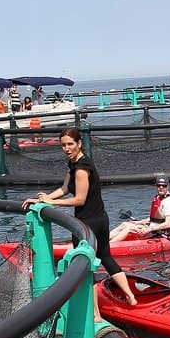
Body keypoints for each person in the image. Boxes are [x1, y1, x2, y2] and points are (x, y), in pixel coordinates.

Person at [22, 128, 137, 315]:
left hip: (86, 225)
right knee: (106, 258)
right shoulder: (74, 163)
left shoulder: (82, 168)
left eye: (70, 144)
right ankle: (131, 297)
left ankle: (95, 314)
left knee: (86, 266)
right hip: (100, 218)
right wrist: (45, 198)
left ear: (79, 143)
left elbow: (79, 200)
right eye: (63, 145)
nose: (67, 148)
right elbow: (65, 188)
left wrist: (52, 202)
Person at [109, 174, 170, 243]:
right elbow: (154, 219)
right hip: (152, 228)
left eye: (164, 186)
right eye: (159, 185)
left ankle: (108, 246)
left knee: (129, 228)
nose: (161, 187)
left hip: (160, 233)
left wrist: (148, 229)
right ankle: (103, 241)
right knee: (125, 224)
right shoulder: (158, 198)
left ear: (168, 186)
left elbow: (168, 224)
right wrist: (138, 222)